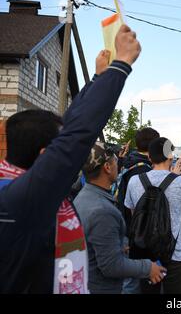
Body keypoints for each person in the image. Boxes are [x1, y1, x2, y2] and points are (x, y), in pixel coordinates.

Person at [0, 24, 141, 293]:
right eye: (58, 148)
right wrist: (122, 64)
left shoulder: (13, 180)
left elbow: (69, 125)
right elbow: (78, 135)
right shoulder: (21, 200)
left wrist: (98, 78)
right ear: (45, 157)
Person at [73, 142, 166, 293]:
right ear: (107, 167)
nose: (119, 165)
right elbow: (111, 266)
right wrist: (149, 268)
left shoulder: (84, 197)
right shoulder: (102, 211)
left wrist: (116, 245)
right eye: (116, 161)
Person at [124, 137, 181, 294]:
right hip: (175, 255)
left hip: (145, 255)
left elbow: (135, 216)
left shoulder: (134, 181)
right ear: (170, 156)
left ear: (149, 157)